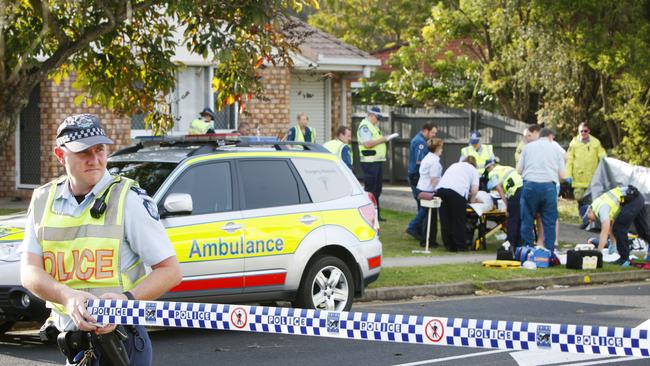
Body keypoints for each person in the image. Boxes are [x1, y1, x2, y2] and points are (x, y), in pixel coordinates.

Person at [20, 114, 182, 365]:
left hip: (121, 339)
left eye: (100, 150)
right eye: (84, 152)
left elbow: (170, 271)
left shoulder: (128, 199)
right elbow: (30, 271)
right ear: (60, 155)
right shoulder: (42, 199)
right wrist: (66, 296)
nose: (95, 160)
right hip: (72, 341)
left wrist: (126, 301)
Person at [517, 128, 567, 252]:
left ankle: (528, 250)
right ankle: (549, 252)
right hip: (548, 187)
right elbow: (563, 175)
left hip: (530, 186)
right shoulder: (556, 149)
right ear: (550, 136)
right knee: (549, 222)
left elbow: (518, 170)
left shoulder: (528, 147)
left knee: (527, 219)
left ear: (540, 135)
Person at [584, 185, 650, 266]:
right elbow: (612, 226)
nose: (590, 221)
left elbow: (605, 231)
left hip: (632, 199)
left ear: (589, 210)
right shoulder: (598, 203)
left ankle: (624, 259)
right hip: (637, 197)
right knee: (643, 231)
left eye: (588, 218)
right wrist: (613, 246)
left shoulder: (600, 208)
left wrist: (598, 252)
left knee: (620, 228)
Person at [357, 106, 398, 222]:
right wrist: (384, 139)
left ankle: (376, 214)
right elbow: (367, 144)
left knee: (377, 189)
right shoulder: (365, 126)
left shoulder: (373, 126)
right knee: (371, 190)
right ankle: (369, 215)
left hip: (376, 161)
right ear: (371, 115)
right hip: (370, 162)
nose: (378, 120)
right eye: (377, 117)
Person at [436, 155, 481, 252]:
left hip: (441, 190)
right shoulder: (473, 170)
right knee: (458, 220)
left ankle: (448, 245)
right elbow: (474, 189)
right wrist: (472, 200)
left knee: (445, 219)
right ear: (474, 164)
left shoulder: (455, 165)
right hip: (457, 192)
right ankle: (460, 245)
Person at [565, 121, 607, 224]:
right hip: (578, 178)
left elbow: (602, 156)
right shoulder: (574, 143)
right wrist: (568, 175)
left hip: (592, 178)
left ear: (589, 131)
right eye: (581, 131)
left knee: (591, 201)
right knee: (579, 198)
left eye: (585, 131)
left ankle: (590, 220)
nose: (583, 133)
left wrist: (603, 162)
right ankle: (583, 217)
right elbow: (569, 160)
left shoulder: (595, 143)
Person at [407, 138, 444, 247]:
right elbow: (434, 180)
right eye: (441, 147)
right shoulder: (434, 162)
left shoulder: (427, 157)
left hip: (422, 188)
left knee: (425, 213)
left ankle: (419, 232)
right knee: (429, 217)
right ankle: (426, 238)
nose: (442, 149)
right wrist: (438, 191)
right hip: (428, 190)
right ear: (437, 148)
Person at [405, 123, 438, 241]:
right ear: (426, 131)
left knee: (422, 205)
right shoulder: (420, 142)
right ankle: (414, 227)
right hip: (416, 175)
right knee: (424, 205)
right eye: (433, 132)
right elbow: (420, 161)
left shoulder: (419, 140)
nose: (434, 135)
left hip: (415, 174)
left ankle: (419, 229)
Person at [485, 159, 524, 247]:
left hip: (515, 191)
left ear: (489, 167)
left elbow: (499, 189)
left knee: (513, 219)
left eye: (487, 169)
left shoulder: (492, 173)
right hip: (525, 188)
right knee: (521, 218)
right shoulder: (506, 168)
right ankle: (521, 244)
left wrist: (507, 205)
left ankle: (511, 244)